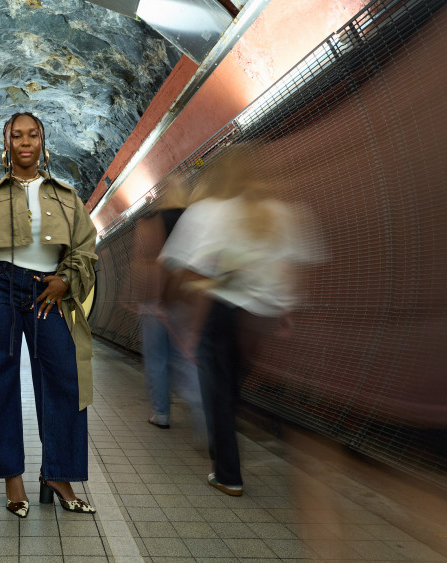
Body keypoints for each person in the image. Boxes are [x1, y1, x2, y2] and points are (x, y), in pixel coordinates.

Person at [0, 112, 98, 518]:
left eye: (33, 135)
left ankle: (58, 475)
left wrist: (64, 277)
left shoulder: (66, 197)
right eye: (16, 135)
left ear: (43, 142)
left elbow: (85, 248)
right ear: (5, 142)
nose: (25, 141)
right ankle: (12, 477)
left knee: (63, 378)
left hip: (49, 292)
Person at [160, 144, 317, 497]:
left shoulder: (208, 213)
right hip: (259, 319)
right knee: (231, 390)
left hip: (221, 312)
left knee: (218, 391)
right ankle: (225, 454)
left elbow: (196, 274)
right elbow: (288, 267)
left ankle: (227, 473)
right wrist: (284, 311)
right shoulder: (280, 213)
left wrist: (194, 329)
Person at [132, 179, 204, 441]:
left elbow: (141, 263)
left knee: (156, 360)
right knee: (185, 358)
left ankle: (161, 413)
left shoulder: (150, 221)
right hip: (184, 301)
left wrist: (137, 296)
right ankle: (201, 412)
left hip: (154, 304)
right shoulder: (194, 220)